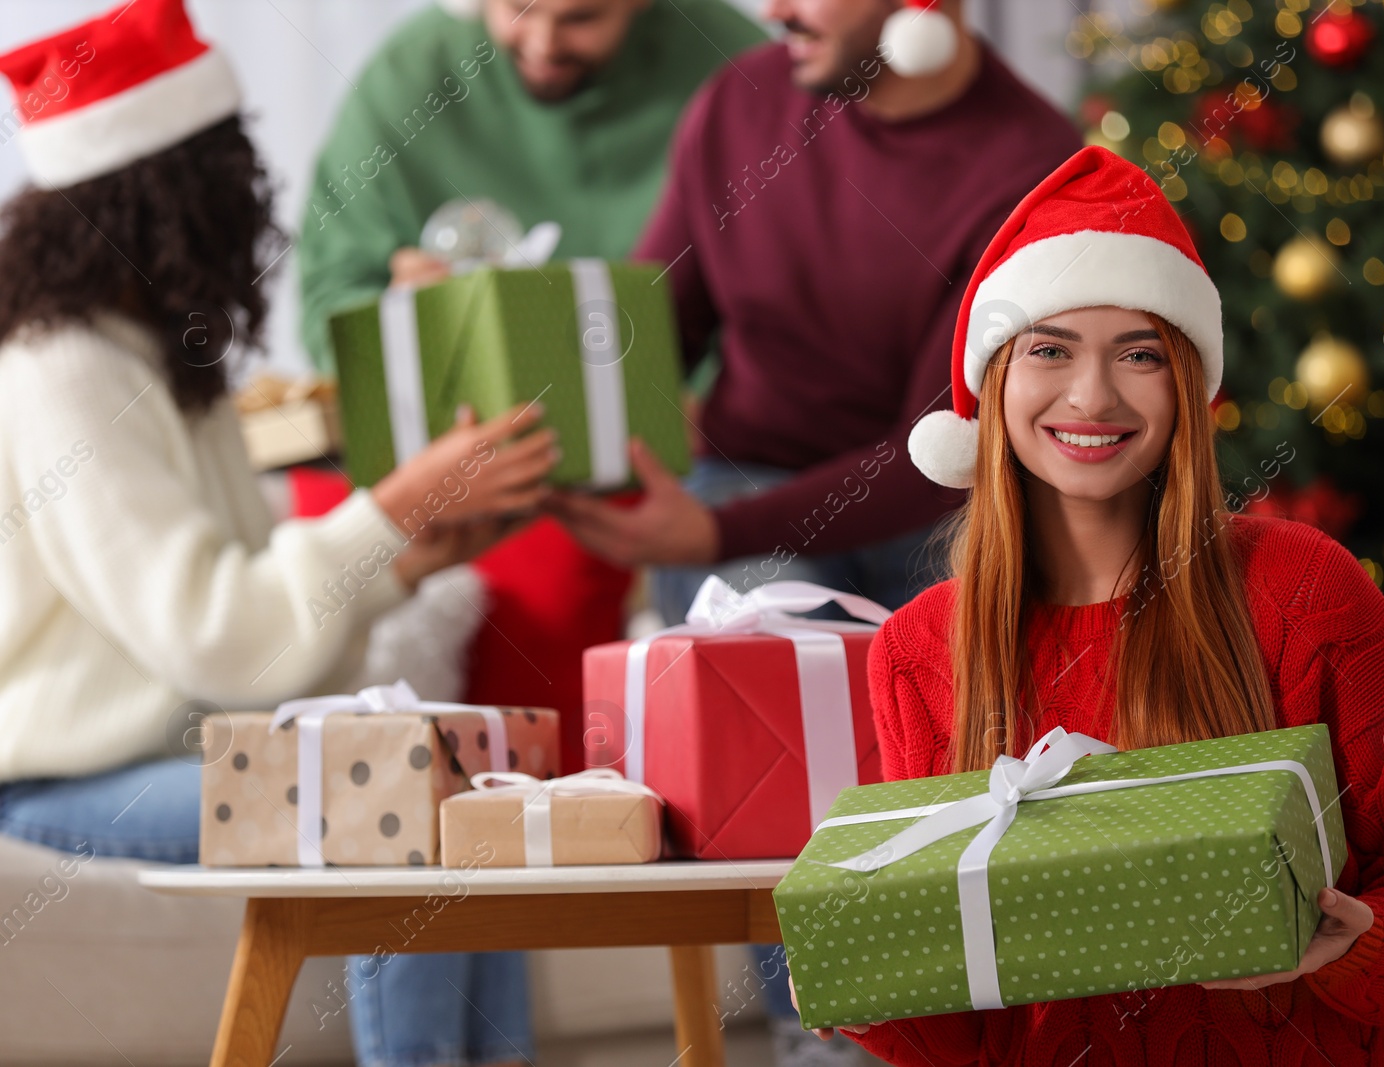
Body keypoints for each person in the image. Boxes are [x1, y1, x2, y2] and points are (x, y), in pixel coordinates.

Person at [790, 145, 1384, 1065]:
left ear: (1186, 387)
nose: (1091, 396)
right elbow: (962, 1027)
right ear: (994, 383)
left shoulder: (1301, 591)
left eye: (1139, 354)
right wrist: (862, 972)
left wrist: (1350, 937)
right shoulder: (920, 649)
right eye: (1050, 350)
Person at [0, 5, 557, 1066]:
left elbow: (265, 651)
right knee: (398, 795)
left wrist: (405, 562)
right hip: (65, 783)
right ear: (173, 191)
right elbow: (221, 640)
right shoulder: (65, 367)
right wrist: (390, 510)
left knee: (453, 787)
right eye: (227, 172)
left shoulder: (157, 359)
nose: (250, 199)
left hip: (193, 751)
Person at [296, 0, 767, 775]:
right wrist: (396, 307)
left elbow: (783, 293)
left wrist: (712, 408)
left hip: (675, 462)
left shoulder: (729, 66)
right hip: (452, 455)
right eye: (517, 9)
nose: (543, 43)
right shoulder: (409, 79)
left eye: (582, 17)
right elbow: (328, 297)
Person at [546, 0, 1084, 627]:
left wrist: (713, 533)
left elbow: (941, 455)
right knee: (773, 651)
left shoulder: (1031, 162)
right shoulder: (740, 102)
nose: (776, 11)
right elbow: (652, 330)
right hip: (746, 486)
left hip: (935, 517)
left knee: (975, 686)